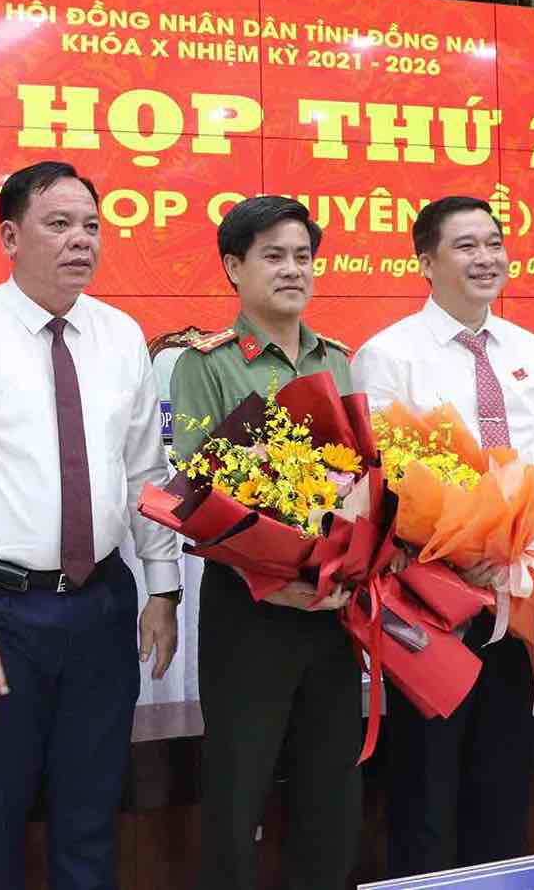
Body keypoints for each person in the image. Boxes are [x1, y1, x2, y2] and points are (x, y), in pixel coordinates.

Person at [0, 160, 182, 890]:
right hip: (4, 615)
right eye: (58, 224)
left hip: (101, 601)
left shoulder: (121, 334)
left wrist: (163, 588)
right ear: (9, 235)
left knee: (92, 807)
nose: (81, 242)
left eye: (92, 226)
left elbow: (145, 474)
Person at [352, 194, 534, 875]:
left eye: (493, 242)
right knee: (428, 779)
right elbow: (384, 484)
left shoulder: (532, 352)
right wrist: (456, 557)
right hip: (430, 599)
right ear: (425, 262)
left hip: (519, 591)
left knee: (505, 774)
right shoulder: (389, 355)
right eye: (466, 245)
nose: (486, 258)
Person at [169, 195, 360, 890]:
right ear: (234, 267)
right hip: (250, 608)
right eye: (273, 257)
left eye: (303, 257)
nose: (292, 271)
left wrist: (358, 552)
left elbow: (361, 476)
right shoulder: (207, 363)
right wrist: (274, 576)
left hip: (333, 605)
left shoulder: (338, 359)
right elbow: (196, 497)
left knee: (331, 783)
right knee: (237, 788)